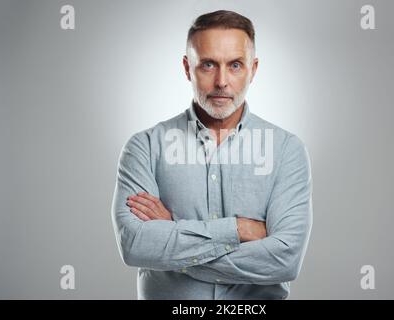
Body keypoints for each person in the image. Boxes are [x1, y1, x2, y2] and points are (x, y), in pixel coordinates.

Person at [111, 10, 313, 300]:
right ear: (186, 67)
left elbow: (285, 260)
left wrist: (173, 237)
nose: (221, 81)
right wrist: (238, 229)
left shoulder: (286, 150)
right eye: (208, 65)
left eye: (235, 65)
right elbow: (135, 246)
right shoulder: (145, 147)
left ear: (253, 69)